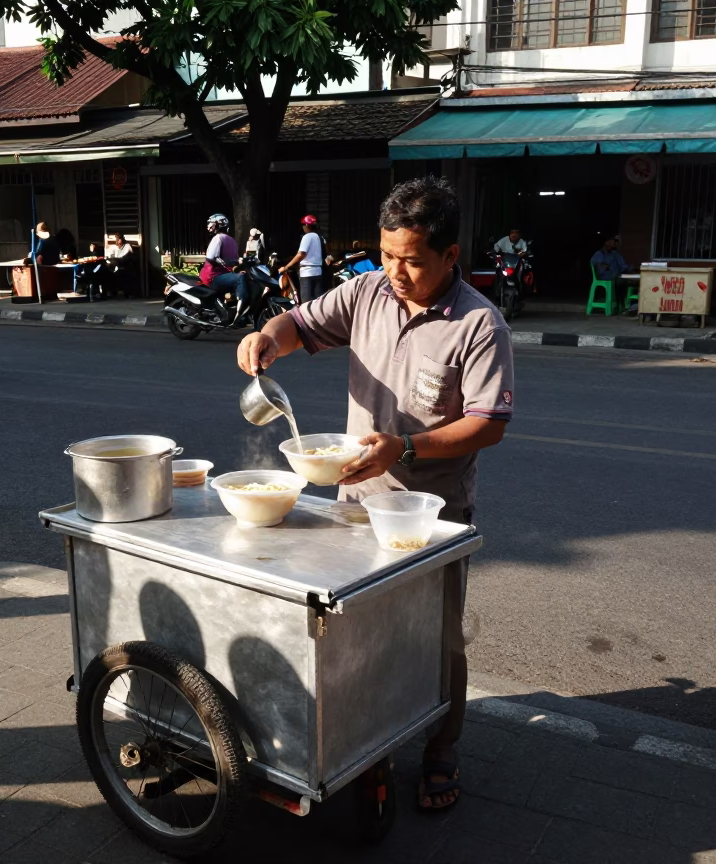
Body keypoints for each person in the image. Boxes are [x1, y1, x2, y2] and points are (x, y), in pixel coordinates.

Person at [238, 176, 513, 813]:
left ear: (450, 256)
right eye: (388, 254)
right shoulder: (366, 292)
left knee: (438, 641)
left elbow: (488, 423)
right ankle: (367, 741)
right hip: (353, 507)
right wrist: (265, 341)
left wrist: (407, 447)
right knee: (355, 634)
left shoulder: (479, 323)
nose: (396, 271)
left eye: (412, 260)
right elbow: (297, 324)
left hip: (431, 517)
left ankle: (442, 749)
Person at [200, 213, 248, 324]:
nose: (209, 226)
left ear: (218, 225)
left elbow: (234, 260)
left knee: (243, 277)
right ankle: (241, 313)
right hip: (214, 276)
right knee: (241, 278)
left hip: (222, 275)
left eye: (211, 223)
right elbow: (211, 258)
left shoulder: (222, 239)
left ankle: (234, 309)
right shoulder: (221, 239)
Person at [280, 214, 325, 303]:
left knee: (306, 303)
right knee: (318, 302)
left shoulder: (307, 237)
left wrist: (286, 267)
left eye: (303, 225)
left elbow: (301, 254)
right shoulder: (320, 237)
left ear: (306, 225)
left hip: (307, 273)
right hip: (318, 272)